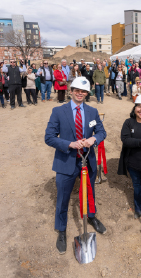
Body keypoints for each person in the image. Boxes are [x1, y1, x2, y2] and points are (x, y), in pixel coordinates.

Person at [45, 77, 107, 254]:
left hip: (87, 160)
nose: (80, 93)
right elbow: (49, 137)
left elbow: (101, 131)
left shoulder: (92, 112)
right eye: (77, 90)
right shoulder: (58, 111)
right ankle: (62, 230)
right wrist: (69, 144)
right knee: (63, 197)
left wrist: (93, 139)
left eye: (84, 91)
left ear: (87, 93)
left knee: (89, 192)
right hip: (66, 161)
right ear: (71, 91)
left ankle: (92, 217)